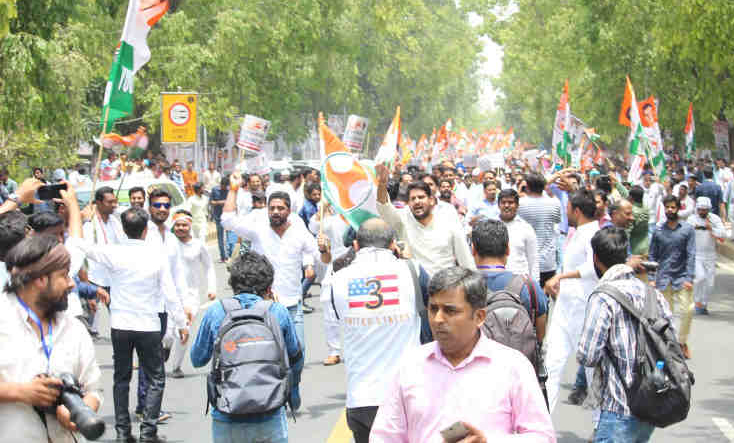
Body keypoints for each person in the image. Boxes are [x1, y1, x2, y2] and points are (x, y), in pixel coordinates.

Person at [369, 267, 555, 442]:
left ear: (480, 317)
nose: (438, 319)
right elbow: (384, 436)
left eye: (450, 311)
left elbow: (542, 437)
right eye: (433, 309)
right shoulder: (410, 366)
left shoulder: (513, 367)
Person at [80, 207, 186, 443]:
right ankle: (148, 432)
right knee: (156, 378)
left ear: (124, 230)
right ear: (146, 230)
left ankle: (122, 432)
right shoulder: (156, 255)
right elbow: (170, 294)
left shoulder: (114, 253)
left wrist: (86, 220)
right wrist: (182, 323)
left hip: (120, 325)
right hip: (148, 324)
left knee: (121, 379)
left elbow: (82, 245)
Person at [328, 218, 428, 442]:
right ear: (394, 244)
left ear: (355, 246)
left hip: (361, 397)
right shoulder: (413, 271)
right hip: (408, 394)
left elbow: (337, 315)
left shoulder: (339, 279)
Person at [191, 251, 303, 443]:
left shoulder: (216, 311)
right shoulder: (278, 312)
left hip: (227, 413)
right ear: (269, 287)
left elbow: (197, 359)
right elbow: (296, 358)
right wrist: (292, 392)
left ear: (233, 284)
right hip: (270, 411)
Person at [0, 235, 103, 443]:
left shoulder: (74, 328)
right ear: (40, 279)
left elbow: (93, 389)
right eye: (64, 275)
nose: (71, 284)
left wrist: (81, 410)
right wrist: (21, 392)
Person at [577, 227, 675, 443]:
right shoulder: (653, 294)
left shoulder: (603, 297)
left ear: (596, 258)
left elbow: (587, 356)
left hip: (618, 406)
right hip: (650, 404)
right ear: (625, 256)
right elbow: (672, 341)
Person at [221, 174, 320, 354]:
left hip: (292, 303)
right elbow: (227, 221)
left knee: (298, 351)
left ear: (289, 211)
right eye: (272, 208)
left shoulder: (298, 227)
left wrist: (316, 257)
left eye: (280, 208)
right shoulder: (258, 229)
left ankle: (294, 383)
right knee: (268, 354)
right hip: (263, 305)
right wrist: (233, 190)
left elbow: (315, 253)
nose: (275, 212)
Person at [543, 188, 600, 412]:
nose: (566, 213)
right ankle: (543, 425)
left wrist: (561, 276)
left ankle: (600, 425)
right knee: (551, 366)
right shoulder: (576, 232)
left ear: (576, 210)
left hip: (583, 308)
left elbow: (593, 268)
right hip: (564, 306)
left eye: (567, 208)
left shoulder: (593, 234)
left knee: (591, 369)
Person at [376, 164, 475, 277]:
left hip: (445, 285)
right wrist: (382, 184)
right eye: (413, 199)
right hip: (417, 286)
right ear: (408, 204)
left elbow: (464, 256)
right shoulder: (404, 218)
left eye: (421, 197)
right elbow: (384, 207)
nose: (417, 201)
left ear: (432, 200)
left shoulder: (448, 218)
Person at [472, 219, 548, 341]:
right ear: (508, 249)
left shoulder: (462, 287)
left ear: (473, 250)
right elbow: (540, 336)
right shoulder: (529, 287)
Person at [169, 210, 216, 378]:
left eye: (184, 225)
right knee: (168, 333)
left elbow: (209, 267)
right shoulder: (167, 243)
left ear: (190, 226)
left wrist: (212, 288)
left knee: (184, 329)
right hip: (168, 293)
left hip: (191, 296)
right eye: (178, 225)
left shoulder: (198, 245)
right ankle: (165, 347)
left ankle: (176, 367)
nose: (181, 228)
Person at [649, 195, 695, 359]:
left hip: (682, 277)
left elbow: (691, 254)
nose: (670, 210)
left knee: (688, 310)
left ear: (678, 208)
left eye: (673, 207)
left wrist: (689, 277)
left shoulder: (687, 230)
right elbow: (652, 255)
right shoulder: (658, 230)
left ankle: (682, 342)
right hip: (663, 278)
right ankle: (669, 345)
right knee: (666, 315)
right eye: (667, 207)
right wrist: (651, 277)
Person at [81, 186, 125, 339]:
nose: (114, 205)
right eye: (110, 202)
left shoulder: (115, 223)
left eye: (115, 201)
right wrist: (87, 286)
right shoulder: (89, 224)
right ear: (98, 203)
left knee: (120, 320)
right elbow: (83, 257)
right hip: (93, 279)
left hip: (113, 279)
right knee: (86, 324)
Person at [518, 173, 562, 288]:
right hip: (547, 262)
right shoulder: (554, 203)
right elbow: (557, 220)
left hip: (525, 261)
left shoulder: (520, 204)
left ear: (527, 186)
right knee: (544, 298)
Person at [688, 197, 724, 315]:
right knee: (700, 277)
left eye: (705, 210)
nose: (702, 212)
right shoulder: (691, 219)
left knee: (710, 283)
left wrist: (711, 229)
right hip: (697, 255)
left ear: (709, 209)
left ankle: (703, 304)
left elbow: (723, 234)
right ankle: (697, 302)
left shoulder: (715, 219)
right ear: (697, 209)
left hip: (710, 255)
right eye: (700, 210)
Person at [497, 188, 539, 281]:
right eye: (503, 202)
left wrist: (535, 285)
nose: (506, 205)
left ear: (517, 205)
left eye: (510, 202)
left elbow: (533, 260)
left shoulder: (526, 228)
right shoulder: (491, 226)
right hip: (496, 282)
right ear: (498, 205)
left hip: (520, 283)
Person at [628, 186, 650, 255]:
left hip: (635, 249)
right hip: (646, 245)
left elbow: (627, 232)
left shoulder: (633, 212)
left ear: (631, 197)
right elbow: (625, 194)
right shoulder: (645, 207)